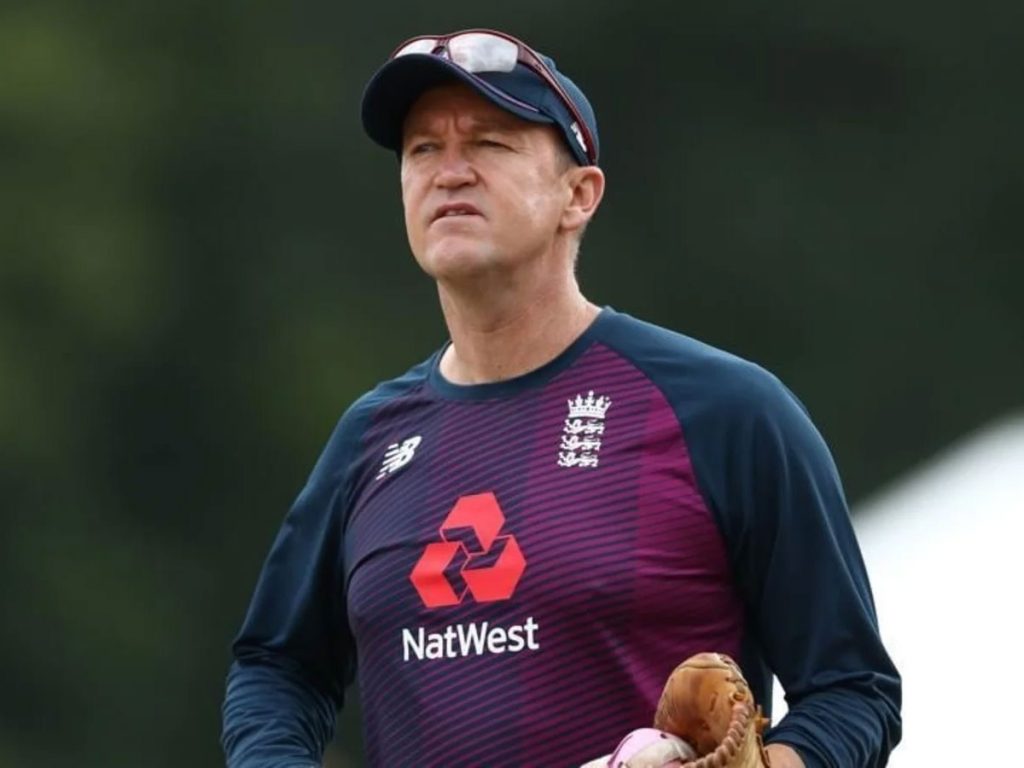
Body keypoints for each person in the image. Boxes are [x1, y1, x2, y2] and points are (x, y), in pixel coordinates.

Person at [221, 28, 902, 768]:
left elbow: (852, 690)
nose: (450, 172)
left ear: (578, 196)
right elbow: (277, 668)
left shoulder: (725, 413)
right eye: (423, 149)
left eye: (489, 143)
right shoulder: (370, 439)